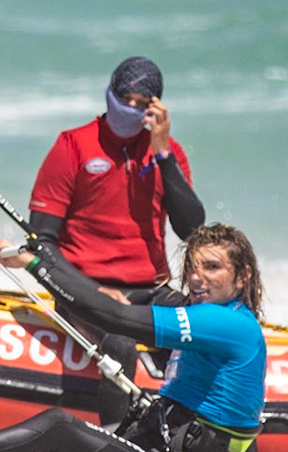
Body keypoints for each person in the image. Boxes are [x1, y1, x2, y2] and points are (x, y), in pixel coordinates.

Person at [0, 224, 288, 452]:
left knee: (57, 427)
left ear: (243, 276)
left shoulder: (228, 324)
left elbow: (113, 317)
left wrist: (34, 264)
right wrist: (45, 260)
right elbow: (108, 300)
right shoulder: (202, 312)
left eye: (211, 267)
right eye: (192, 267)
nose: (196, 278)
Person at [27, 56, 206, 425]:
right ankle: (115, 449)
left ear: (157, 108)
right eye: (126, 99)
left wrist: (163, 153)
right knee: (121, 343)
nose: (132, 109)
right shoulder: (73, 145)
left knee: (208, 328)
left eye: (143, 104)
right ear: (110, 93)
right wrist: (91, 290)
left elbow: (191, 230)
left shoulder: (168, 154)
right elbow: (41, 242)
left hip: (150, 291)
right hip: (85, 290)